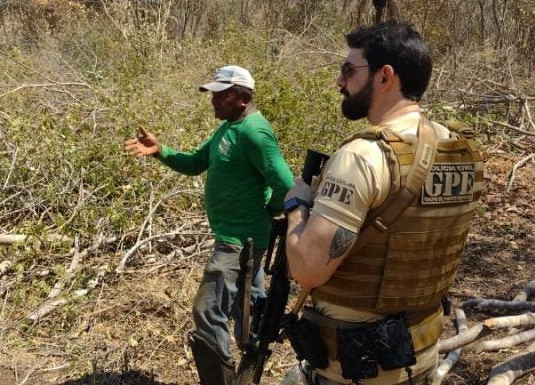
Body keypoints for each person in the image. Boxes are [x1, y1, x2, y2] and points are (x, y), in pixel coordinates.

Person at [281, 22, 484, 385]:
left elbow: (308, 270)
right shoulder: (461, 150)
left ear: (385, 76)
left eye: (348, 70)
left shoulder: (362, 157)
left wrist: (297, 203)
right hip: (420, 353)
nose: (339, 82)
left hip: (357, 367)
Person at [124, 65, 295, 385]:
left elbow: (286, 183)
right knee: (249, 314)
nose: (214, 100)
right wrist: (160, 151)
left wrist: (268, 212)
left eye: (222, 94)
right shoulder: (228, 128)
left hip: (238, 242)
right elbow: (194, 163)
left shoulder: (254, 132)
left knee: (206, 312)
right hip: (237, 238)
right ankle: (248, 370)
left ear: (243, 97)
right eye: (213, 94)